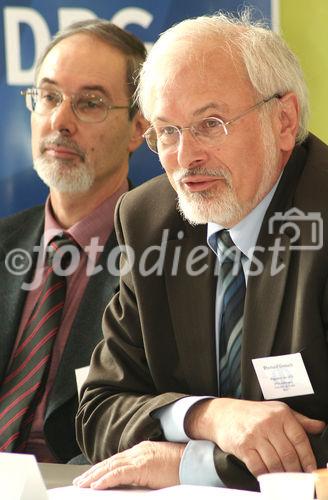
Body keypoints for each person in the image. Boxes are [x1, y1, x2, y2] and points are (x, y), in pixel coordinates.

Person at [74, 11, 328, 491]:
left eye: (210, 123)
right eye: (167, 131)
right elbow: (100, 409)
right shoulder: (149, 218)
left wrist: (191, 465)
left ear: (284, 121)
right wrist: (206, 417)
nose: (185, 158)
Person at [0, 19, 147, 462]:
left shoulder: (169, 257)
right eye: (48, 97)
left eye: (90, 103)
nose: (60, 121)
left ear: (139, 128)